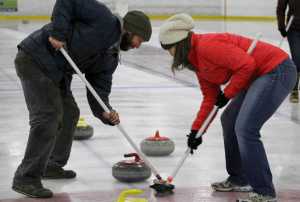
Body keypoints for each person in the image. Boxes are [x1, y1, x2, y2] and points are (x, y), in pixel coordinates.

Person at [12, 0, 152, 198]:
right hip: (35, 59)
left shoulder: (111, 58)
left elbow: (99, 90)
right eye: (140, 39)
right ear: (130, 30)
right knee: (48, 116)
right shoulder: (103, 18)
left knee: (70, 113)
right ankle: (26, 177)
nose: (138, 46)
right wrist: (58, 33)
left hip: (57, 72)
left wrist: (104, 111)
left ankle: (51, 165)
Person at [159, 13, 296, 202]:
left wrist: (228, 93)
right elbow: (210, 97)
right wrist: (196, 131)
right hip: (255, 77)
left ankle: (264, 191)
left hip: (275, 70)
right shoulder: (196, 60)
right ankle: (239, 178)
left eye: (169, 49)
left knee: (246, 128)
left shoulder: (208, 46)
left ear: (180, 43)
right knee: (229, 120)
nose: (170, 54)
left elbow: (247, 65)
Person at [277, 0, 300, 103]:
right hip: (294, 29)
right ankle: (294, 89)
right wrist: (281, 26)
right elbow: (281, 8)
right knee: (297, 59)